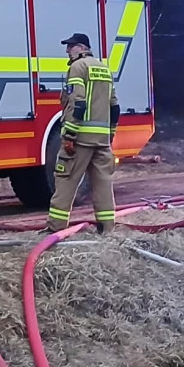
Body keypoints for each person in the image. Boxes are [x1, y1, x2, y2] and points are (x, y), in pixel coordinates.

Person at [46, 33, 120, 234]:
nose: (67, 51)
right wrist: (110, 134)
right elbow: (114, 106)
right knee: (103, 183)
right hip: (101, 141)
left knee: (65, 179)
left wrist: (69, 135)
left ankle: (56, 227)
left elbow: (77, 102)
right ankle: (107, 229)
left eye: (70, 47)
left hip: (80, 139)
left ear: (81, 47)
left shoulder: (78, 67)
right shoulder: (104, 69)